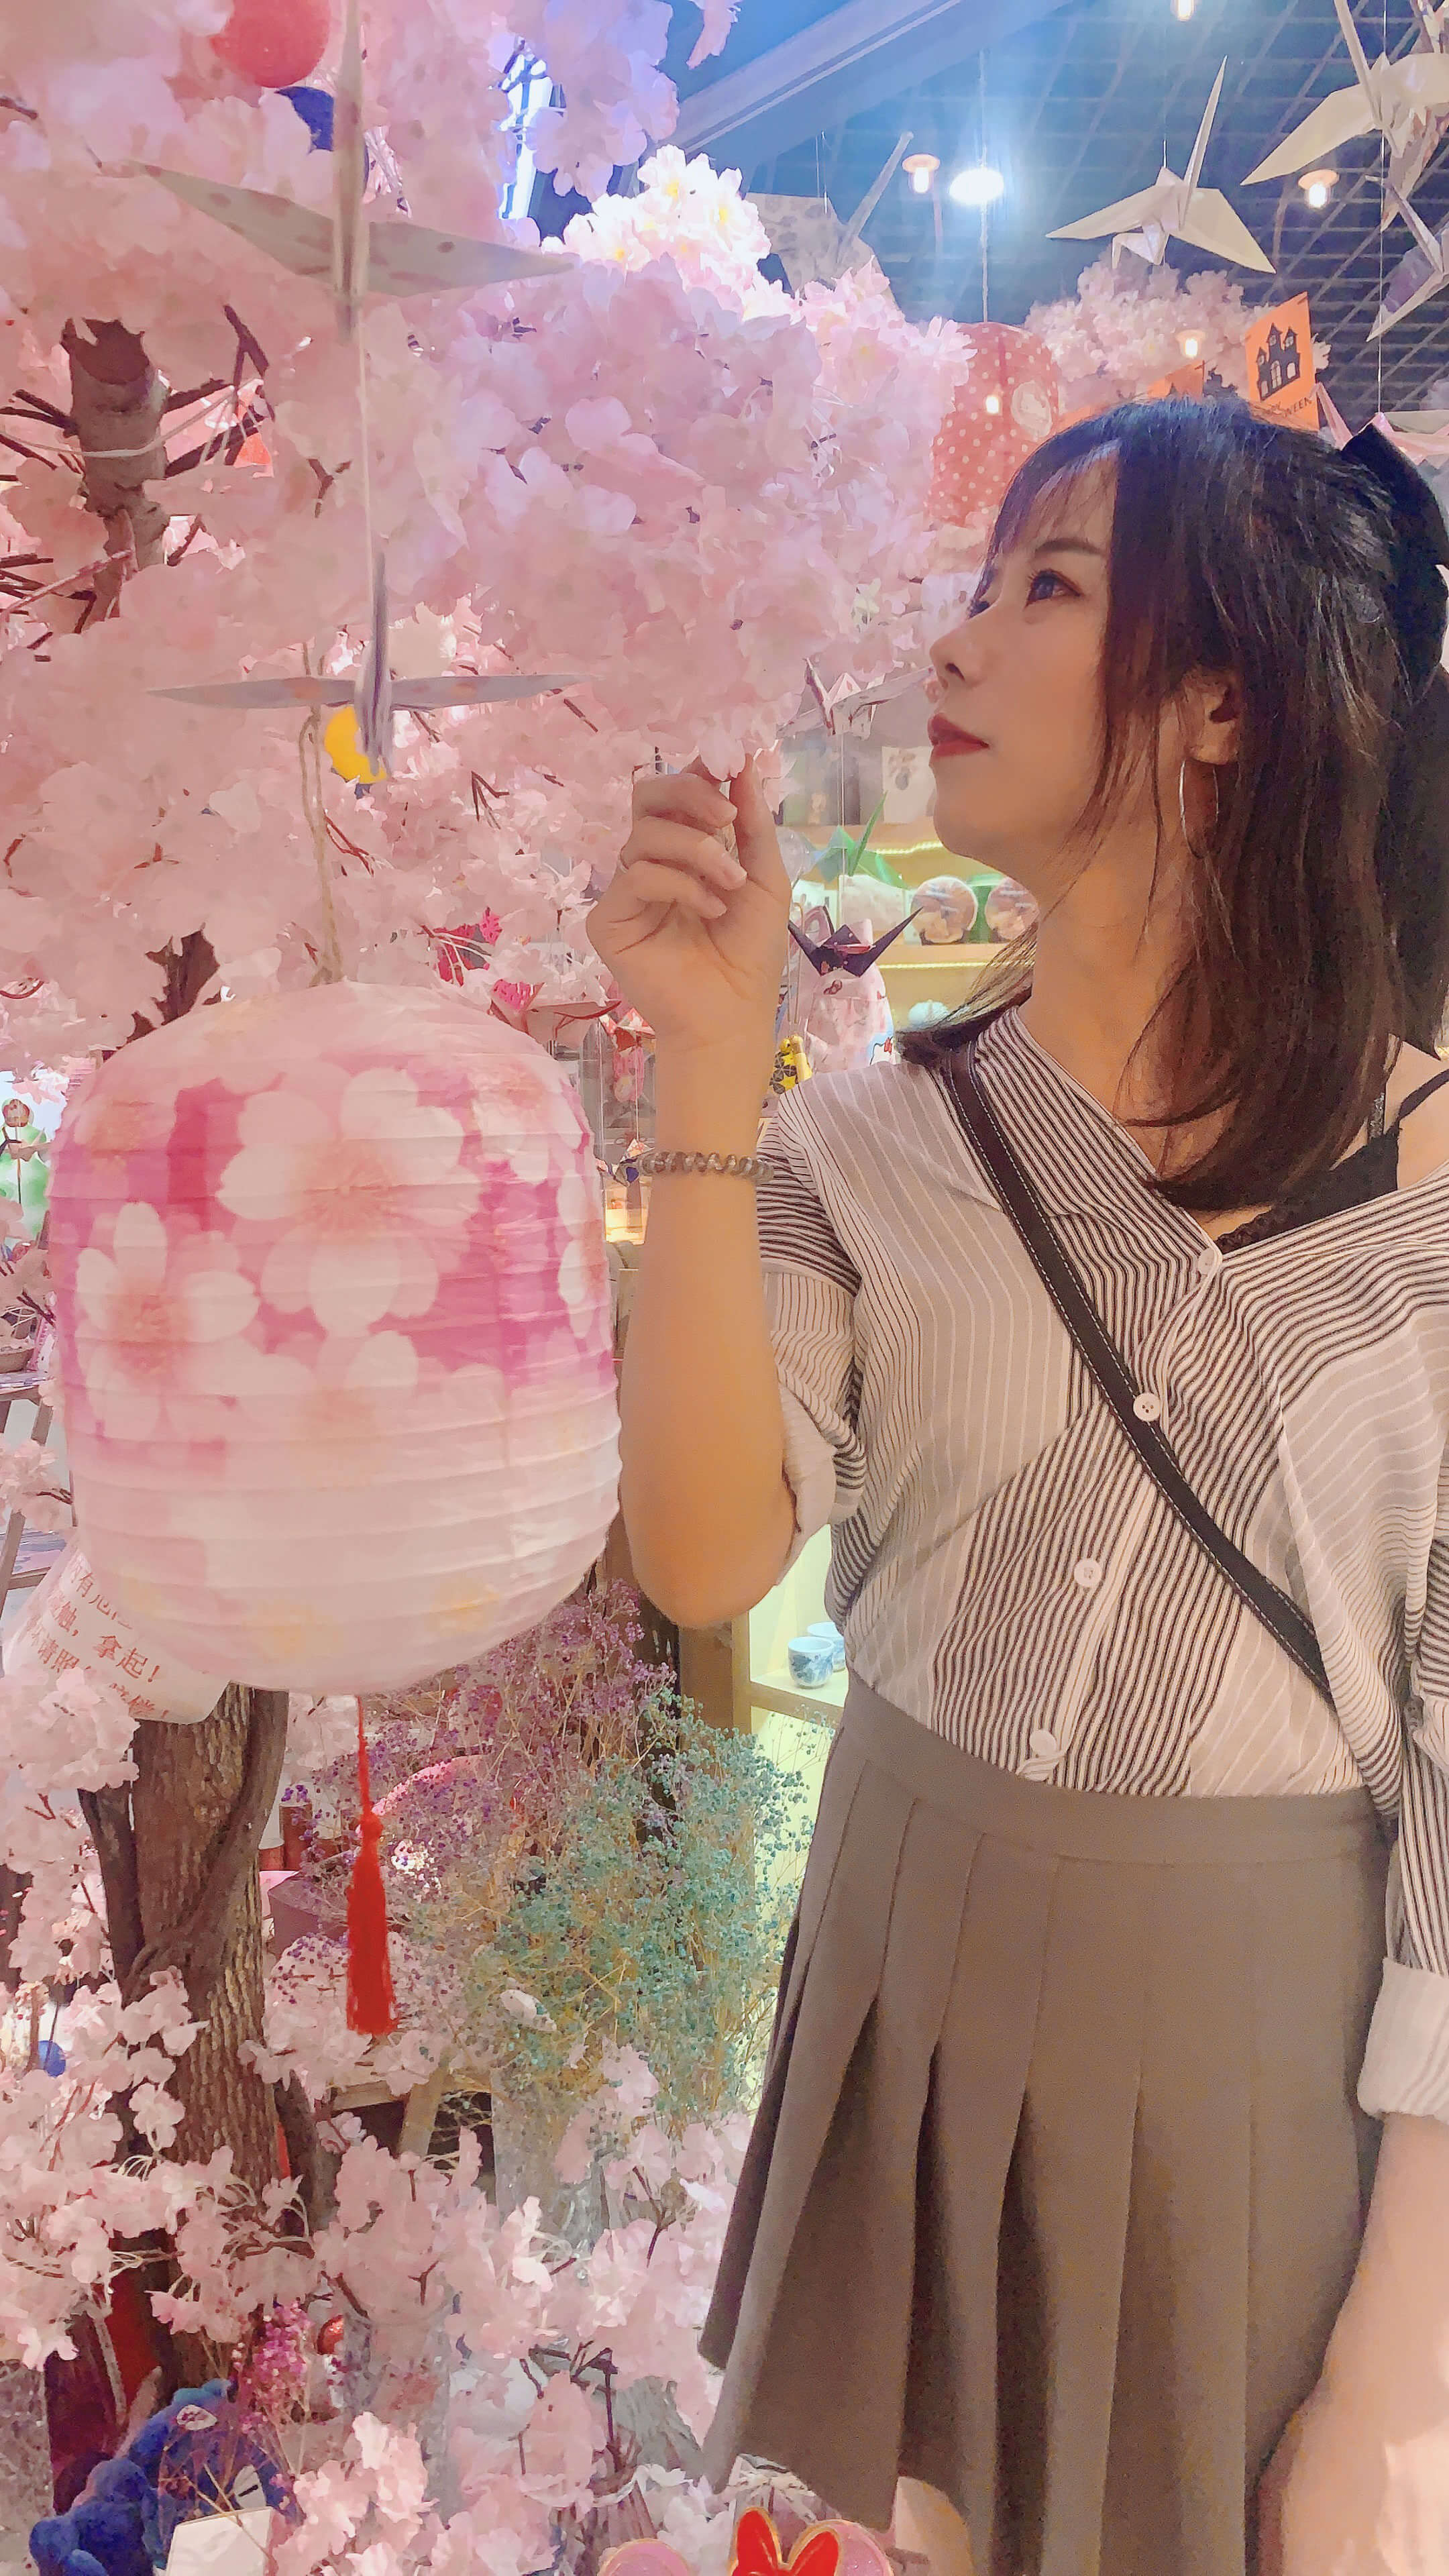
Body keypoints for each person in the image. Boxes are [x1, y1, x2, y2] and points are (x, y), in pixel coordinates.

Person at [586, 397, 1449, 2576]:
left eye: (1047, 588)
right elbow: (707, 1553)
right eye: (976, 589)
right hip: (911, 1940)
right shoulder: (869, 1142)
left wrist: (1389, 2387)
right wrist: (706, 1061)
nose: (958, 646)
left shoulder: (1435, 1195)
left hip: (1261, 2038)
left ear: (1230, 702)